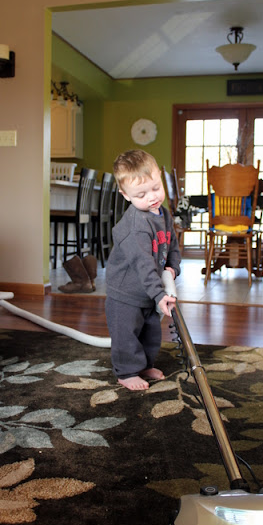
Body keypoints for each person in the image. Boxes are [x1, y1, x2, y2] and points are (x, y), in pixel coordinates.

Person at [105, 150, 181, 391]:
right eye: (141, 194)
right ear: (125, 195)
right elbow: (143, 263)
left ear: (160, 177)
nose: (152, 197)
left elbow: (172, 246)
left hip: (147, 288)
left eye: (156, 188)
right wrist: (159, 294)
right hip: (126, 292)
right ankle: (127, 372)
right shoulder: (136, 226)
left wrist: (173, 268)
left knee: (150, 332)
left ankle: (145, 364)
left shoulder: (163, 214)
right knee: (127, 333)